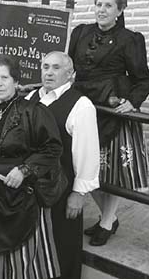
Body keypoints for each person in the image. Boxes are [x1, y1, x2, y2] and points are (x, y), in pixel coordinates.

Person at [68, 0, 149, 246]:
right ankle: (110, 218)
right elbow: (69, 67)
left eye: (108, 6)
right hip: (84, 106)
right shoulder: (81, 32)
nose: (101, 10)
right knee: (83, 166)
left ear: (120, 10)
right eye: (98, 4)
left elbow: (143, 79)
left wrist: (133, 102)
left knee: (111, 171)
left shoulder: (130, 39)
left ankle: (106, 221)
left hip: (112, 111)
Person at [0, 54, 62, 279]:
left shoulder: (34, 111)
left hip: (22, 198)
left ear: (16, 82)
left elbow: (52, 148)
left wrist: (24, 170)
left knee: (23, 263)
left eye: (4, 78)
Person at [25, 51, 100, 279]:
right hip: (32, 188)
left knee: (63, 245)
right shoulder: (31, 98)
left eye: (56, 68)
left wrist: (79, 193)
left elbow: (87, 152)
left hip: (63, 187)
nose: (49, 72)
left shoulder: (81, 105)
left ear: (70, 74)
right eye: (45, 66)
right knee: (35, 244)